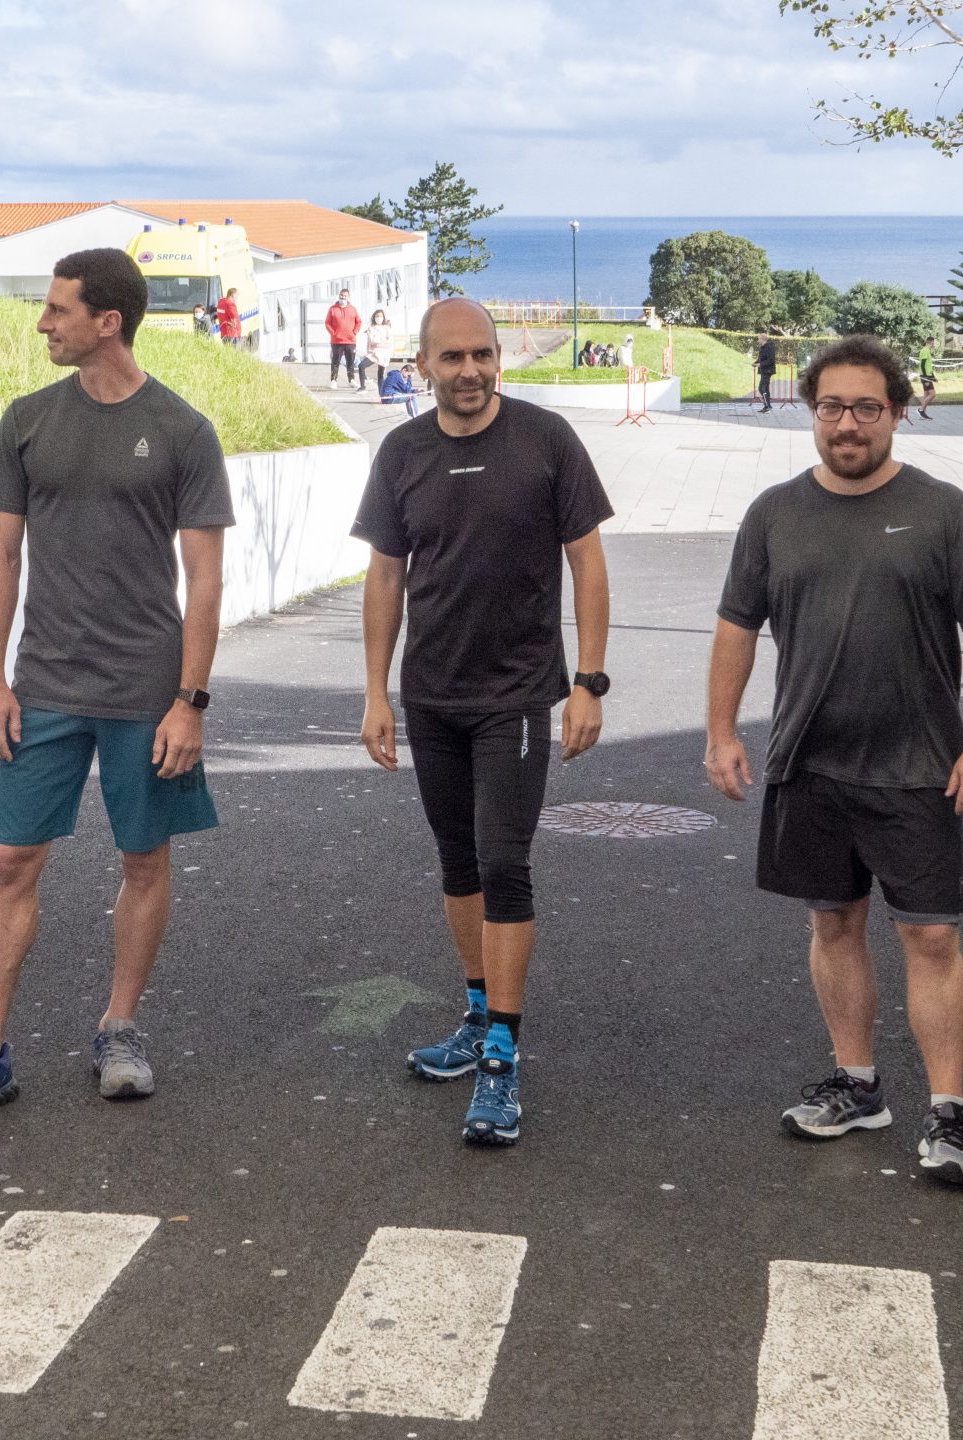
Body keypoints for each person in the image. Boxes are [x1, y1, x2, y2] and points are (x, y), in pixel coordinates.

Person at [0, 247, 234, 1126]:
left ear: (108, 322)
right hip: (45, 686)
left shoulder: (182, 429)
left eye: (58, 310)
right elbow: (0, 554)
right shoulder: (27, 420)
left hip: (146, 691)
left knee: (144, 859)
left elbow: (205, 579)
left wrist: (190, 701)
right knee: (9, 861)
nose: (43, 323)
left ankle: (119, 1028)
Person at [705, 334, 963, 1189]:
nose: (848, 424)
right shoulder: (774, 513)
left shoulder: (944, 510)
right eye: (832, 407)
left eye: (866, 408)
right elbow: (736, 626)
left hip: (918, 767)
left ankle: (948, 1112)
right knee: (832, 924)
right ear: (811, 412)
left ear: (897, 413)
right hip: (809, 763)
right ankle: (858, 1085)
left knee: (930, 935)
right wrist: (721, 731)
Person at [355, 297, 613, 1147]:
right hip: (431, 696)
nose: (470, 371)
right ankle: (475, 1014)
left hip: (517, 695)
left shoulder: (546, 440)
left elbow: (587, 563)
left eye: (483, 355)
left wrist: (589, 682)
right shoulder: (402, 452)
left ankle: (503, 1051)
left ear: (499, 359)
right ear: (423, 364)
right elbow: (386, 576)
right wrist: (375, 692)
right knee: (458, 861)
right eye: (453, 357)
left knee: (504, 863)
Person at [326, 288, 362, 388]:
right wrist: (333, 333)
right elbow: (327, 323)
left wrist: (354, 332)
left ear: (348, 297)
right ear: (339, 296)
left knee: (350, 361)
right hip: (336, 341)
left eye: (345, 296)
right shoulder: (332, 309)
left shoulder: (353, 309)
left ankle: (351, 380)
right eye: (341, 295)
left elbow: (359, 322)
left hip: (350, 341)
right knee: (335, 361)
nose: (343, 297)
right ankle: (333, 380)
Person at [361, 309, 395, 392]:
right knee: (361, 366)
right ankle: (362, 387)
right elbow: (372, 341)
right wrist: (382, 341)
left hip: (384, 354)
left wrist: (379, 342)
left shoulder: (387, 328)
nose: (379, 318)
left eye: (380, 316)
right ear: (374, 317)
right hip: (374, 353)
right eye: (377, 316)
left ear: (383, 318)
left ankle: (381, 394)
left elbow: (390, 341)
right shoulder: (371, 328)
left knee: (380, 375)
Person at [917, 339, 938, 419]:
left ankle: (923, 414)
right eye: (934, 342)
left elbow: (927, 366)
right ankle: (921, 410)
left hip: (926, 376)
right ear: (931, 342)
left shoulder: (926, 350)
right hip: (925, 376)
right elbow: (923, 364)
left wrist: (933, 377)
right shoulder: (925, 350)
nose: (934, 344)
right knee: (932, 394)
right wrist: (926, 377)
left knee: (926, 394)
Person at [756, 333, 777, 412]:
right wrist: (755, 363)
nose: (758, 340)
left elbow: (771, 360)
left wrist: (760, 364)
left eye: (758, 339)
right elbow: (761, 358)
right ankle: (768, 406)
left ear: (762, 339)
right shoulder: (762, 347)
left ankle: (767, 406)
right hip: (764, 370)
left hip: (768, 370)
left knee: (761, 388)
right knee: (765, 388)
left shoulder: (769, 347)